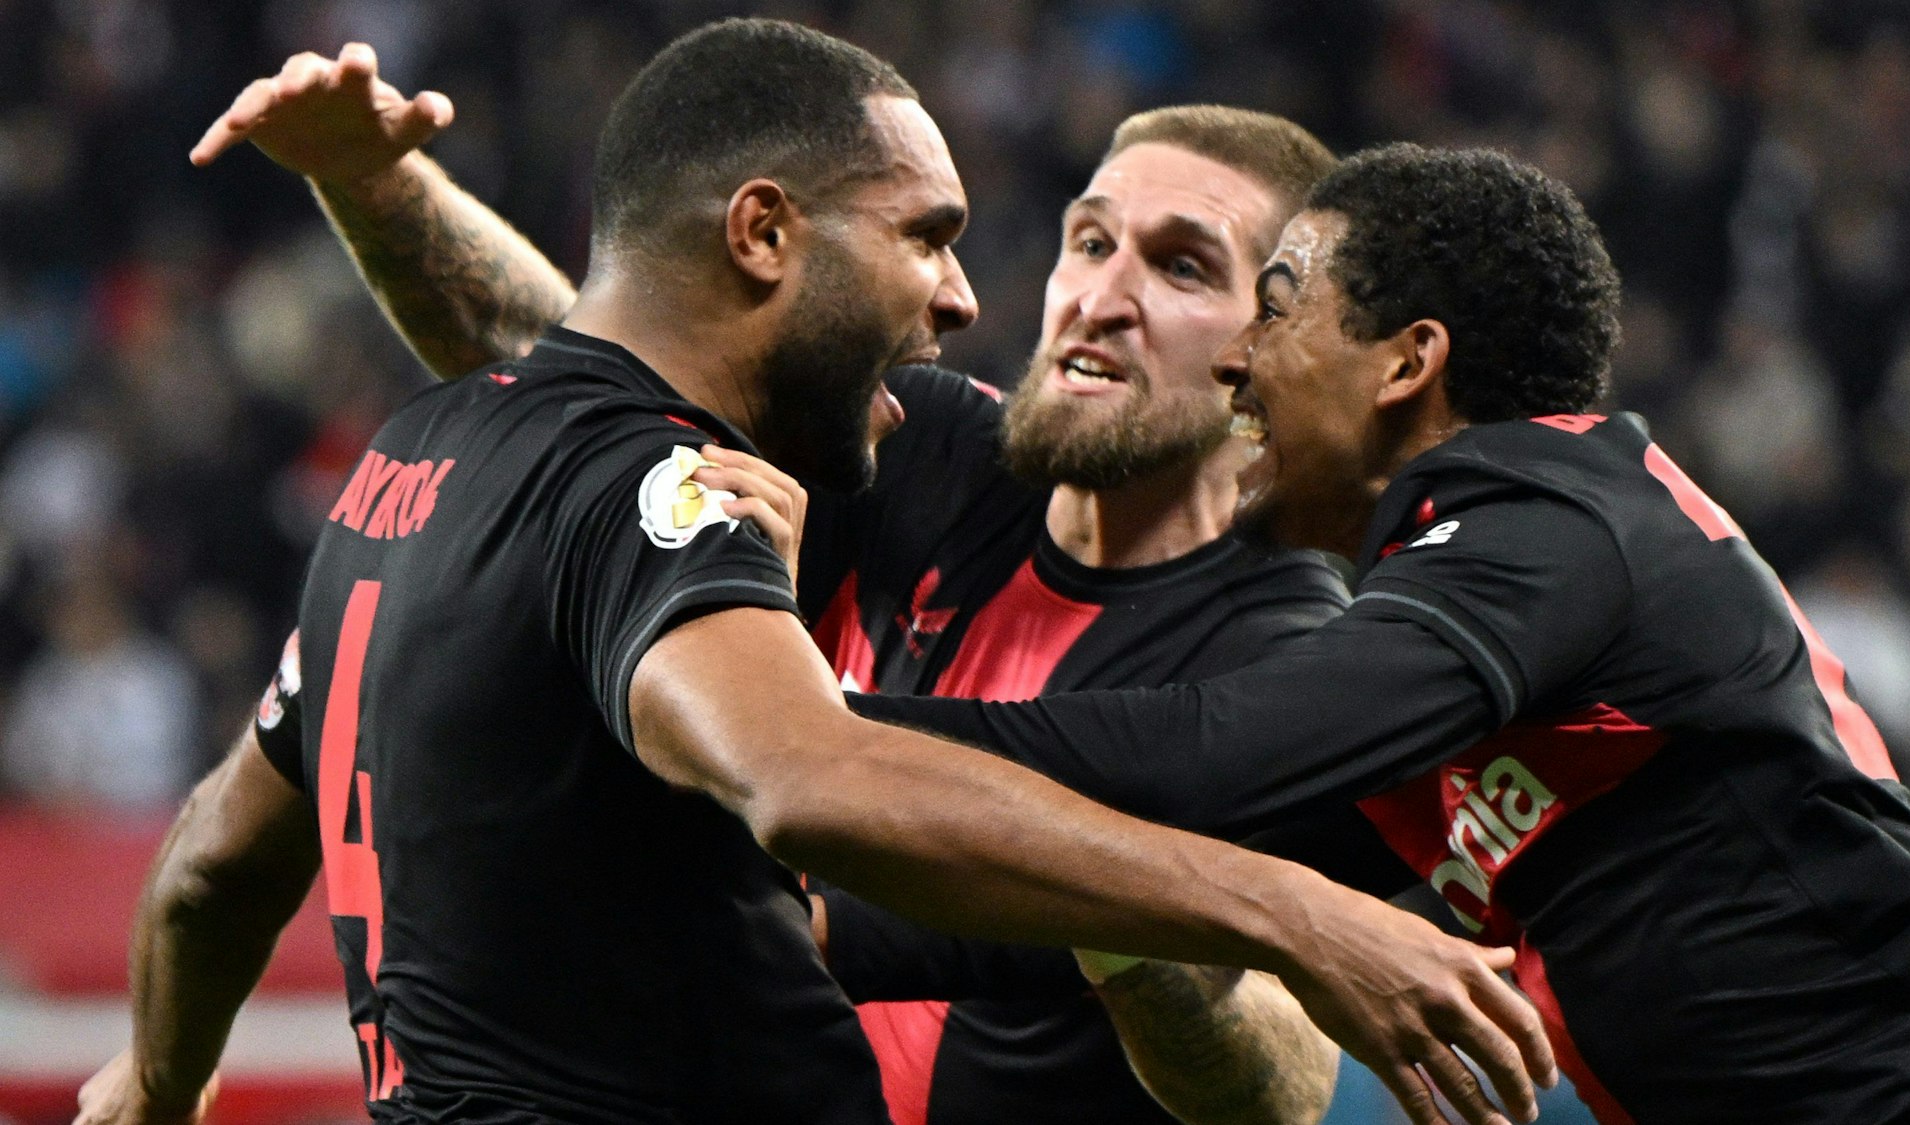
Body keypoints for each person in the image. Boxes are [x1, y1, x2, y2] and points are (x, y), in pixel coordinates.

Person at [78, 22, 1555, 1125]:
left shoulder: (1289, 664)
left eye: (1179, 267)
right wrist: (379, 189)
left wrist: (1120, 901)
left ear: (1269, 350)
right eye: (1088, 239)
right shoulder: (926, 456)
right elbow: (618, 372)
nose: (1092, 295)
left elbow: (1280, 1096)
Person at [840, 145, 1910, 1122]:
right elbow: (1145, 891)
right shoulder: (1464, 632)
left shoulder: (1561, 513)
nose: (1239, 357)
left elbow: (1216, 753)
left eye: (1280, 302)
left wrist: (821, 736)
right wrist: (800, 911)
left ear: (1407, 360)